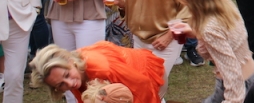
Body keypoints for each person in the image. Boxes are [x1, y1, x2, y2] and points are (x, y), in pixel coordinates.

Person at [170, 0, 254, 103]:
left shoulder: (209, 28)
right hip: (251, 75)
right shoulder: (222, 3)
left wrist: (232, 100)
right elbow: (227, 38)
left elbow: (231, 71)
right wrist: (195, 32)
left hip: (237, 87)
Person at [29, 42, 165, 103]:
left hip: (147, 76)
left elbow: (144, 88)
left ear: (70, 61)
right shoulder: (71, 72)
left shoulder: (103, 69)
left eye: (67, 75)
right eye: (60, 85)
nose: (70, 84)